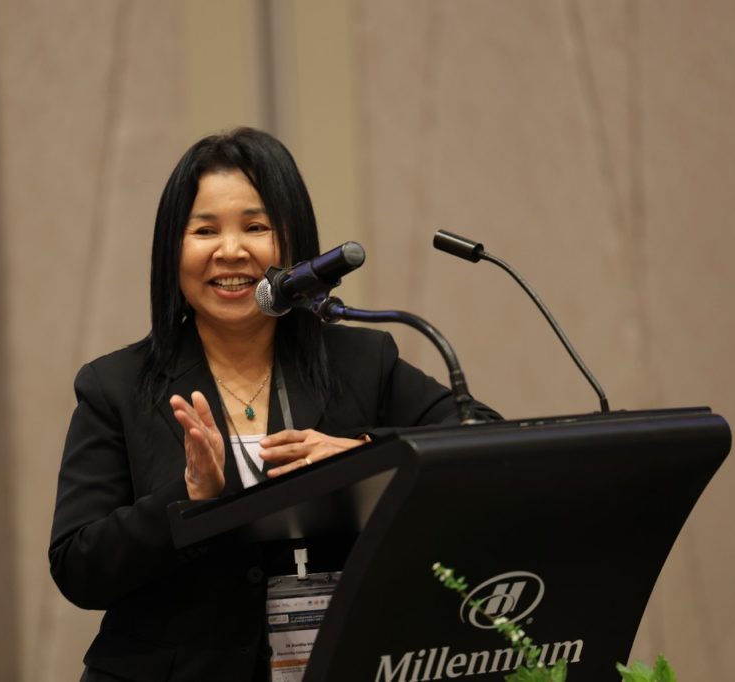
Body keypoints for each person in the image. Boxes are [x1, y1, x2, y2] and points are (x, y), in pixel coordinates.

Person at [49, 128, 498, 682]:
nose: (231, 251)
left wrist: (365, 455)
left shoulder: (362, 361)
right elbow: (78, 567)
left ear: (292, 243)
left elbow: (482, 439)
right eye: (205, 230)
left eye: (255, 227)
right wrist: (189, 498)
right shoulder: (116, 385)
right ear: (172, 251)